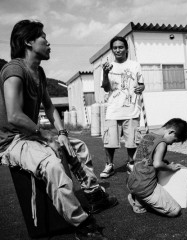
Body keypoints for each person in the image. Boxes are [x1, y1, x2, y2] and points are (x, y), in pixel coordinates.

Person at [0, 19, 117, 238]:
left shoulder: (39, 72)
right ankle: (81, 224)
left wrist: (62, 134)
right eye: (43, 37)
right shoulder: (13, 69)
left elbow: (50, 106)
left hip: (30, 135)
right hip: (12, 141)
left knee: (78, 146)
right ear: (28, 41)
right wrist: (45, 136)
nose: (49, 42)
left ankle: (93, 194)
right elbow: (14, 114)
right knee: (52, 164)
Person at [100, 36, 145, 178]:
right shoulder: (107, 66)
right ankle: (109, 165)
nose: (118, 50)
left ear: (126, 49)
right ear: (112, 50)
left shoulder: (135, 65)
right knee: (109, 141)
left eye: (120, 47)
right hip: (113, 110)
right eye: (115, 48)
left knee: (132, 141)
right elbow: (106, 89)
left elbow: (141, 84)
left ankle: (131, 163)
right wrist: (106, 73)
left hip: (131, 110)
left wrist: (140, 88)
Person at [127, 118, 187, 217]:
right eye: (174, 140)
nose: (171, 143)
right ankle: (138, 198)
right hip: (146, 187)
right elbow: (157, 164)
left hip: (132, 182)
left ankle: (138, 200)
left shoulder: (147, 136)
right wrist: (170, 167)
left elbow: (135, 157)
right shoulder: (162, 143)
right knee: (175, 210)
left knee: (143, 187)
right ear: (171, 132)